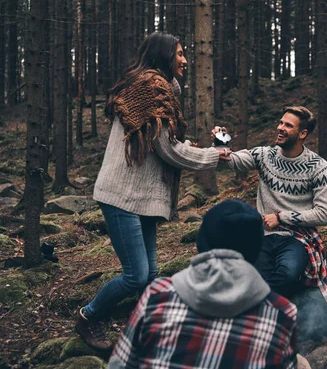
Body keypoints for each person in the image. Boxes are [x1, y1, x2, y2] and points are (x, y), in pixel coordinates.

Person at [75, 32, 229, 351]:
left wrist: (190, 148)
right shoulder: (150, 87)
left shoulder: (165, 89)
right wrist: (212, 156)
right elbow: (165, 149)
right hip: (122, 195)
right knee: (136, 276)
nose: (185, 59)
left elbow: (161, 143)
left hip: (142, 196)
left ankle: (146, 325)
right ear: (164, 55)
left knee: (152, 272)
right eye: (180, 53)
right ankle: (88, 317)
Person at [108, 199, 300, 369]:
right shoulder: (282, 313)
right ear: (257, 249)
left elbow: (119, 364)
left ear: (201, 242)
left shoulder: (157, 294)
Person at [214, 106, 327, 314]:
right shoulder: (265, 155)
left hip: (297, 237)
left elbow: (325, 213)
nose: (280, 128)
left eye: (288, 125)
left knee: (287, 274)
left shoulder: (318, 166)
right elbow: (230, 161)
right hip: (263, 235)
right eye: (281, 123)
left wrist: (281, 217)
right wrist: (221, 141)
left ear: (302, 134)